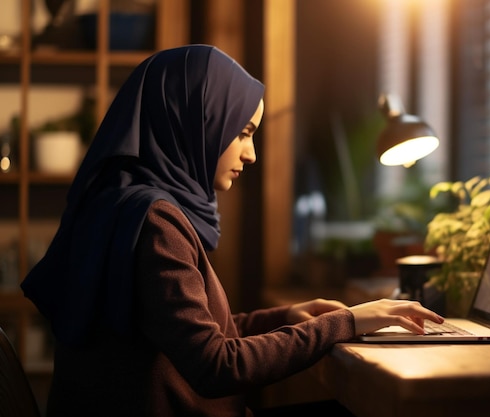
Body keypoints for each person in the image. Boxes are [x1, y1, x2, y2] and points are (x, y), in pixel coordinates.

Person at [21, 45, 444, 417]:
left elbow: (183, 332)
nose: (252, 153)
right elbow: (216, 366)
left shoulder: (121, 205)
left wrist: (284, 316)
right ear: (194, 121)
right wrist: (348, 322)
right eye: (242, 132)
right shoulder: (154, 221)